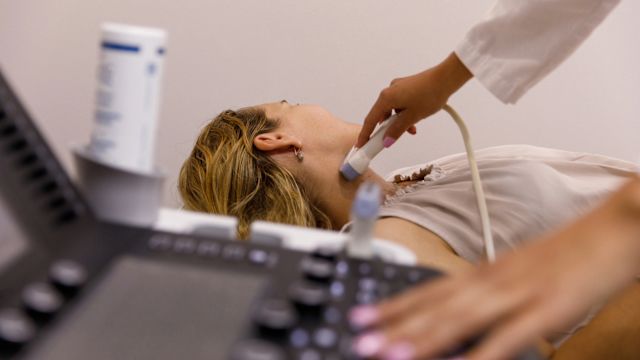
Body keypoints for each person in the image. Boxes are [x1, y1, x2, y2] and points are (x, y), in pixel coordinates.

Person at [178, 100, 635, 357]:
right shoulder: (390, 248)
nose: (310, 103)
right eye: (290, 104)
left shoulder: (402, 186)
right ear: (276, 139)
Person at [349, 0, 639, 359]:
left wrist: (446, 77)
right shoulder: (390, 238)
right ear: (279, 141)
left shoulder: (416, 178)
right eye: (290, 106)